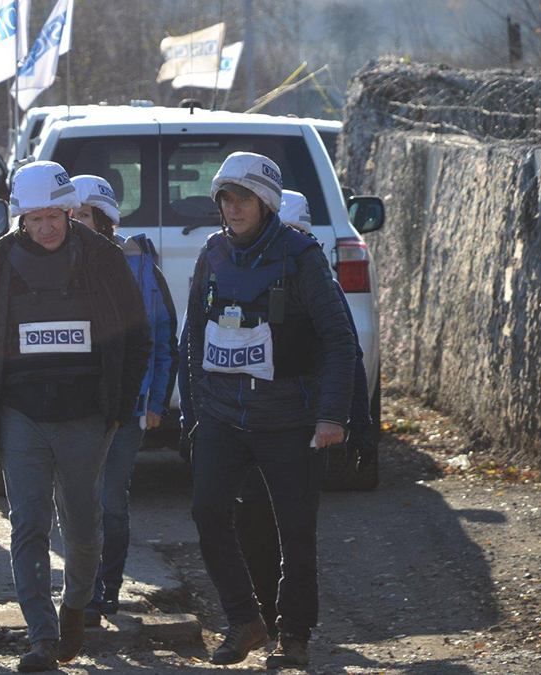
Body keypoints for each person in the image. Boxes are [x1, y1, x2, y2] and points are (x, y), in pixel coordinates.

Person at [0, 161, 150, 672]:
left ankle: (75, 606)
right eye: (35, 219)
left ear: (70, 210)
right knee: (28, 523)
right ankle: (41, 635)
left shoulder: (102, 257)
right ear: (20, 219)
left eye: (55, 215)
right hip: (20, 414)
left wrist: (119, 409)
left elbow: (136, 336)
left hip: (86, 415)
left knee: (82, 527)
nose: (47, 227)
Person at [179, 154, 357, 668]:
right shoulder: (211, 254)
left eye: (244, 199)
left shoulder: (301, 256)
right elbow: (194, 337)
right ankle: (244, 620)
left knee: (295, 530)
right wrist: (196, 410)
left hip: (289, 419)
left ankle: (294, 635)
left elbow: (338, 339)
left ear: (267, 203)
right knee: (207, 512)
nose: (233, 209)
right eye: (226, 199)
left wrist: (331, 417)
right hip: (223, 417)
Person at [231, 189, 376, 647]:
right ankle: (266, 617)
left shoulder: (321, 287)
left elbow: (348, 355)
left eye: (298, 235)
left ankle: (293, 627)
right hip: (250, 422)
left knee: (293, 528)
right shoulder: (237, 279)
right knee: (249, 518)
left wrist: (357, 431)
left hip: (301, 424)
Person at [70, 175, 177, 626]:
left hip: (128, 411)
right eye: (68, 214)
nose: (73, 222)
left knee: (111, 501)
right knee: (78, 505)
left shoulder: (140, 270)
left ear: (105, 221)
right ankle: (80, 590)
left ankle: (106, 591)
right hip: (73, 412)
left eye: (82, 215)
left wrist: (155, 402)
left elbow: (161, 340)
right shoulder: (54, 265)